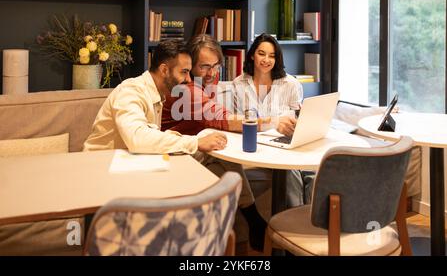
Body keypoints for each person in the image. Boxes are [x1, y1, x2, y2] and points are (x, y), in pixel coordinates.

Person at [161, 34, 269, 251]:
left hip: (199, 148)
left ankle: (242, 231)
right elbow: (220, 118)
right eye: (204, 67)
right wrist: (271, 122)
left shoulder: (206, 81)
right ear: (191, 66)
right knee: (224, 157)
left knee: (224, 165)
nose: (211, 73)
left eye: (216, 66)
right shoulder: (186, 89)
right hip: (176, 153)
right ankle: (254, 220)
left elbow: (215, 117)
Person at [83, 39, 226, 154]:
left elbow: (150, 138)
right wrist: (195, 142)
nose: (189, 79)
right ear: (164, 70)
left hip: (132, 162)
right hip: (101, 165)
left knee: (216, 159)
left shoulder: (159, 96)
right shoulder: (131, 90)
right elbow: (137, 139)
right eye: (184, 72)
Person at [232, 33, 312, 208]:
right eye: (261, 53)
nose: (266, 60)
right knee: (290, 170)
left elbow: (298, 119)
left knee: (300, 171)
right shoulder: (239, 83)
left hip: (285, 145)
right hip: (254, 146)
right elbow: (238, 122)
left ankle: (300, 219)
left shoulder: (291, 84)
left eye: (272, 55)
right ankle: (292, 219)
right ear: (252, 55)